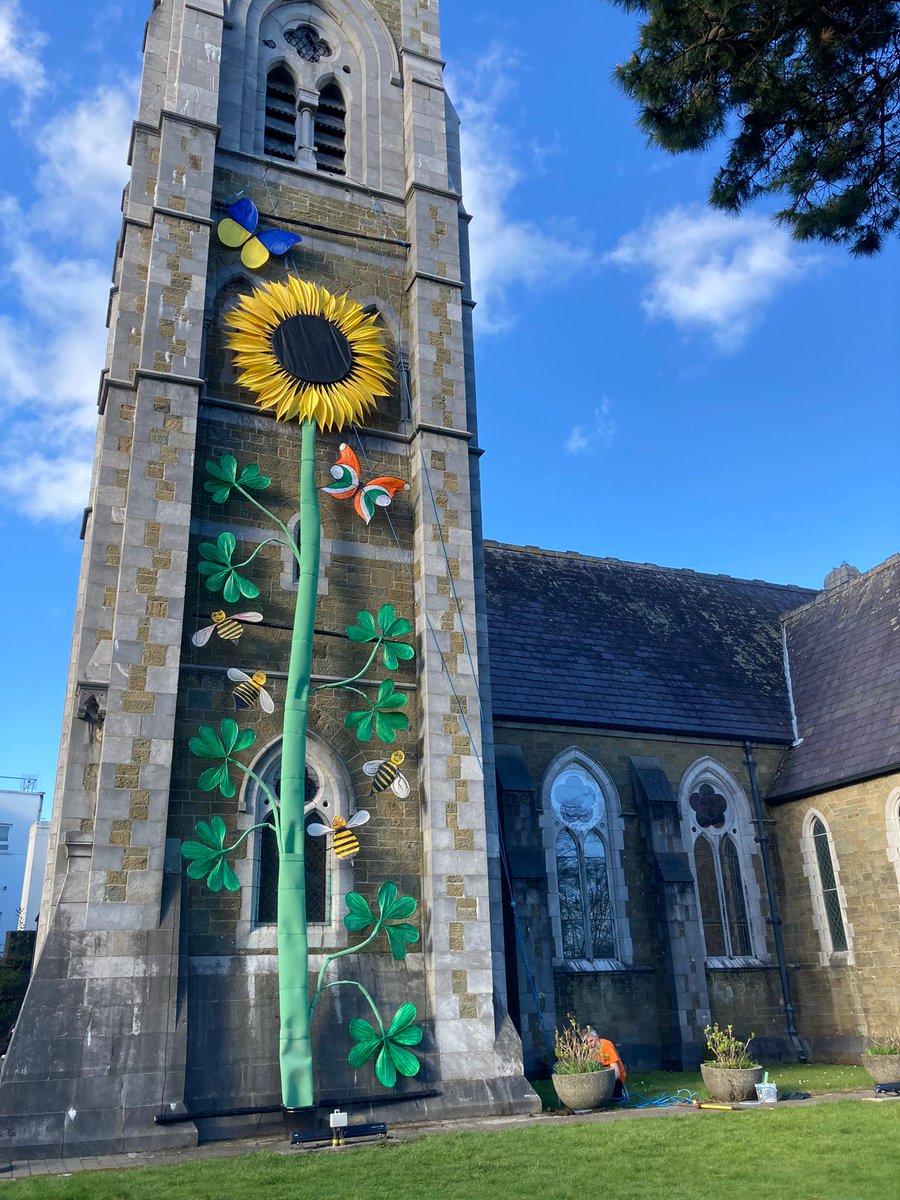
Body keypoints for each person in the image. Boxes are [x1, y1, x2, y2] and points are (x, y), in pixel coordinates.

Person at [584, 1026, 627, 1099]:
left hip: (615, 1078)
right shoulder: (591, 1051)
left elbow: (616, 1071)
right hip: (600, 1078)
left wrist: (606, 1085)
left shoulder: (606, 1045)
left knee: (614, 1099)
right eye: (586, 1042)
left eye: (591, 1041)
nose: (589, 1044)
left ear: (596, 1037)